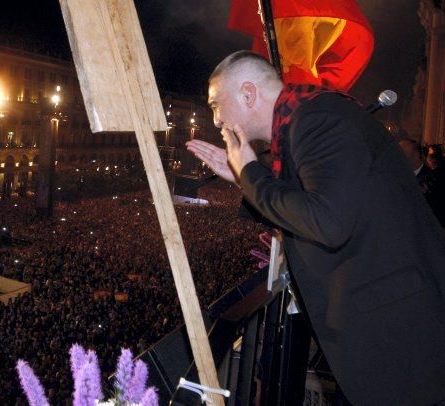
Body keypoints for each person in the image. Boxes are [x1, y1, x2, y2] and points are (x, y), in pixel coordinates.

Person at [186, 50, 445, 405]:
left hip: (398, 333)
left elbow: (326, 223)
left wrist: (250, 174)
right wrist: (243, 179)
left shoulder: (318, 119)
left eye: (216, 103)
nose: (215, 119)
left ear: (248, 94)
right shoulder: (309, 119)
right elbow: (311, 210)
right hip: (388, 325)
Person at [398, 137, 445, 226]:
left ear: (416, 156)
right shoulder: (397, 177)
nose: (398, 159)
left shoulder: (433, 180)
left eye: (403, 154)